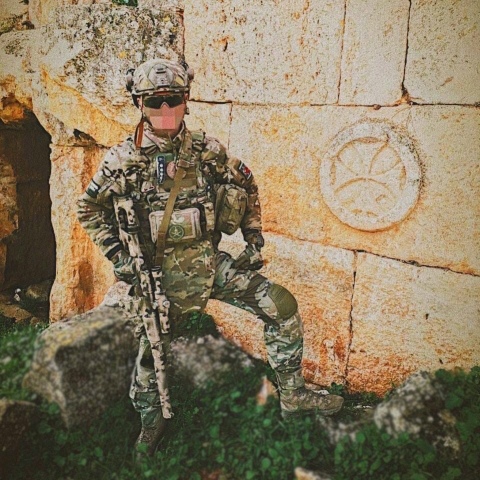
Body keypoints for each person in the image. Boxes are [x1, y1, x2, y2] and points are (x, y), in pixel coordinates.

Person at [77, 58, 343, 455]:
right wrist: (120, 258)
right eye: (154, 101)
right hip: (157, 279)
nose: (165, 109)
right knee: (151, 359)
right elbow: (88, 209)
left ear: (186, 100)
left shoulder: (206, 150)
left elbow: (246, 184)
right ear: (139, 104)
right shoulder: (122, 161)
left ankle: (293, 396)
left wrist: (253, 237)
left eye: (173, 99)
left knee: (281, 306)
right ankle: (151, 426)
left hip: (207, 265)